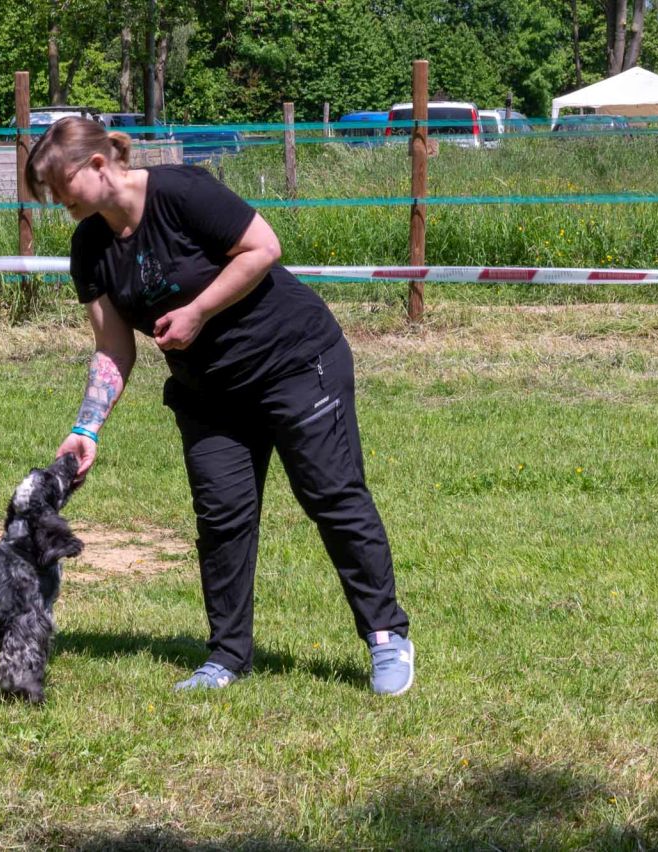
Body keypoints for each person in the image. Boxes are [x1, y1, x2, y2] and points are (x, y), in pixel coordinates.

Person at [25, 117, 414, 696]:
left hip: (295, 364)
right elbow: (113, 345)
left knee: (332, 498)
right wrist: (88, 426)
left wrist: (199, 310)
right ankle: (228, 655)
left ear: (98, 165)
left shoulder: (182, 191)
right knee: (222, 520)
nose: (56, 201)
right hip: (208, 394)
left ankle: (386, 637)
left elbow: (264, 248)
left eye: (59, 185)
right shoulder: (90, 247)